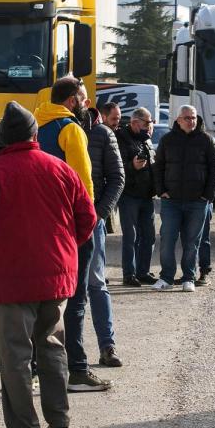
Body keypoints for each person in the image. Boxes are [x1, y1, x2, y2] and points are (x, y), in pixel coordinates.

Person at [0, 102, 96, 428]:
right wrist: (66, 247)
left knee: (15, 355)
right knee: (52, 347)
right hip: (56, 272)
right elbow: (88, 218)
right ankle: (60, 421)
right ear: (35, 134)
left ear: (5, 137)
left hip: (13, 275)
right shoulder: (61, 169)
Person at [33, 76, 110, 392]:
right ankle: (77, 370)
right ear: (70, 101)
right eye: (82, 97)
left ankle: (37, 368)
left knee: (41, 301)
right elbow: (84, 184)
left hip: (40, 226)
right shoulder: (71, 129)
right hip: (70, 228)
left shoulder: (35, 126)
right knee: (76, 299)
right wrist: (88, 224)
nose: (86, 103)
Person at [152, 105, 215, 292]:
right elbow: (158, 167)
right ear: (178, 120)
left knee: (192, 242)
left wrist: (207, 196)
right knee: (167, 240)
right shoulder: (167, 140)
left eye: (193, 118)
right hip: (171, 201)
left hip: (197, 202)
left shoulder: (207, 140)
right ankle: (166, 278)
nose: (191, 121)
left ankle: (188, 278)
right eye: (187, 118)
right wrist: (161, 190)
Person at [84, 106, 125, 367]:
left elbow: (117, 178)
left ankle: (106, 346)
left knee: (96, 284)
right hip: (60, 224)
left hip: (91, 221)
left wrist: (100, 214)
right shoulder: (54, 129)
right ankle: (55, 353)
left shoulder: (101, 133)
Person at [115, 108, 158, 286]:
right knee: (130, 237)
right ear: (134, 123)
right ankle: (129, 274)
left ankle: (143, 271)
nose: (150, 127)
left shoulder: (147, 141)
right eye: (147, 123)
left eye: (151, 123)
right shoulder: (120, 138)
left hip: (147, 196)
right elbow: (116, 168)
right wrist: (132, 166)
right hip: (129, 196)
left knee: (148, 236)